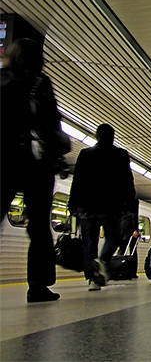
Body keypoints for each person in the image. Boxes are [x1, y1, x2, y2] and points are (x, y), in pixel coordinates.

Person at [1, 38, 68, 303]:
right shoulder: (41, 83)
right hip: (35, 161)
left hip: (4, 157)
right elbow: (52, 123)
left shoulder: (2, 79)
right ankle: (38, 286)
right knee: (39, 225)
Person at [69, 123, 138, 291]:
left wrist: (73, 205)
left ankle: (92, 278)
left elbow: (77, 180)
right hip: (111, 207)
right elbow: (128, 181)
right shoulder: (120, 155)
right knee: (113, 238)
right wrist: (129, 204)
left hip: (88, 208)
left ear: (97, 136)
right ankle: (103, 261)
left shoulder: (85, 154)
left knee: (89, 243)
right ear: (113, 137)